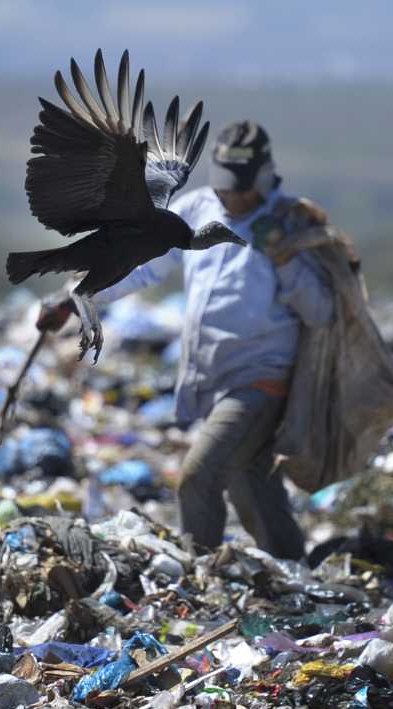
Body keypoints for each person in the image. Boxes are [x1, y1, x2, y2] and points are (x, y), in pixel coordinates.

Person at [37, 121, 334, 560]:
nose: (231, 197)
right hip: (211, 379)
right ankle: (294, 568)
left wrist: (285, 258)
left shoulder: (290, 224)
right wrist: (72, 298)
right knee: (248, 477)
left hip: (261, 381)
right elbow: (142, 267)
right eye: (225, 186)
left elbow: (322, 311)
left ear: (267, 176)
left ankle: (196, 574)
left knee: (198, 476)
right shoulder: (194, 209)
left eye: (242, 187)